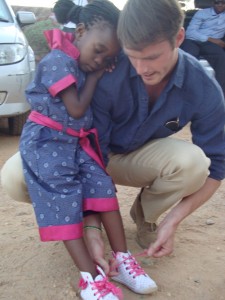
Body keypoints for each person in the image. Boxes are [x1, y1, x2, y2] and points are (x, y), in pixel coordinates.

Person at [1, 0, 225, 272]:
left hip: (134, 156)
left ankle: (147, 219)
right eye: (132, 56)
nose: (142, 68)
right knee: (15, 177)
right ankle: (78, 221)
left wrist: (175, 218)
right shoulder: (106, 64)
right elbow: (88, 153)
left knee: (194, 163)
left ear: (178, 38)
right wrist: (92, 226)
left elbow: (218, 166)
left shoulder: (202, 86)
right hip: (86, 152)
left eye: (153, 57)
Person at [6, 0, 158, 299]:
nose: (100, 60)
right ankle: (90, 279)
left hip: (74, 142)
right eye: (99, 50)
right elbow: (75, 108)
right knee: (63, 203)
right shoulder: (57, 61)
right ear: (81, 31)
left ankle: (122, 260)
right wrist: (96, 76)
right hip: (46, 143)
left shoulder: (79, 61)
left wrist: (98, 68)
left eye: (107, 58)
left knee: (103, 188)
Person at [180, 0, 225, 95]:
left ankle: (219, 92)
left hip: (211, 44)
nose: (220, 5)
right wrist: (212, 39)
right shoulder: (202, 13)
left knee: (221, 57)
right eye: (217, 2)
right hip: (193, 40)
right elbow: (190, 33)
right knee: (188, 57)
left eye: (223, 2)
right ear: (213, 3)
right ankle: (186, 89)